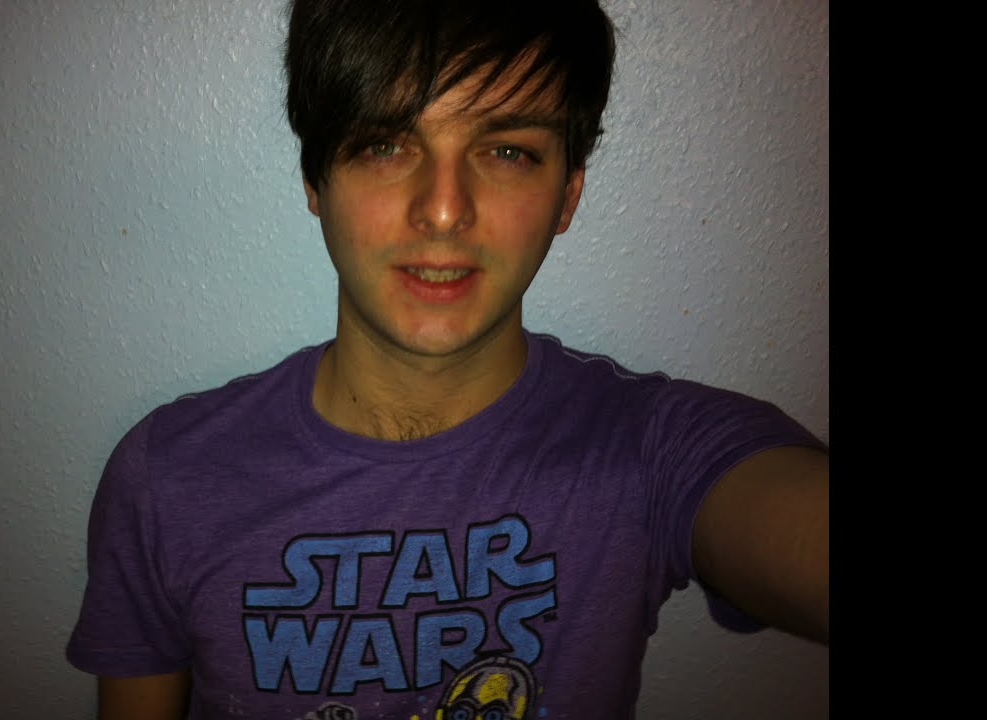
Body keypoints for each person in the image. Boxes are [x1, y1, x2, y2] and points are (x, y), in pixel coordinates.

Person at [65, 0, 829, 717]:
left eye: (507, 151)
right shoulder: (168, 479)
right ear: (315, 180)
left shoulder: (650, 450)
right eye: (385, 144)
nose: (442, 209)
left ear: (567, 196)